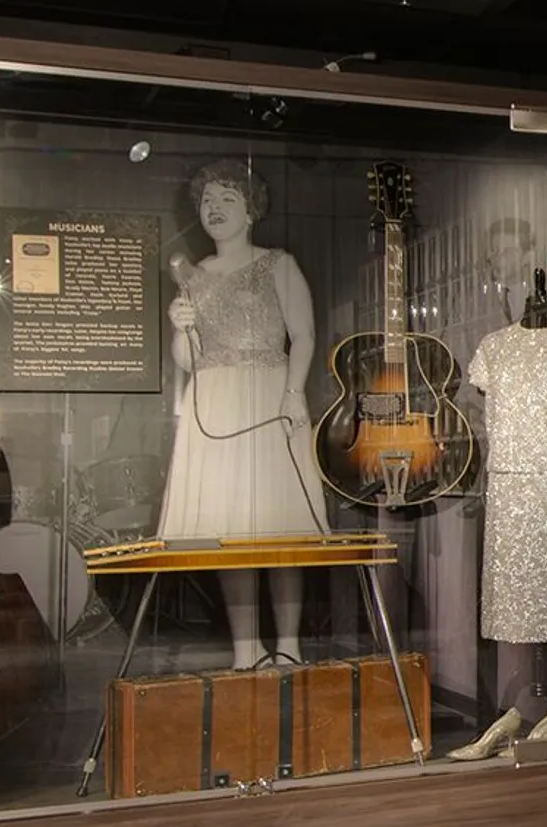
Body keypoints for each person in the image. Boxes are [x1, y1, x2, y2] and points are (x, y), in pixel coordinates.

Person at [157, 158, 329, 671]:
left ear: (250, 210)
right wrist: (179, 325)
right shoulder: (194, 275)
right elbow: (188, 361)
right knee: (228, 531)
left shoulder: (278, 263)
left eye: (228, 199)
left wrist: (294, 394)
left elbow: (304, 334)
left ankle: (289, 646)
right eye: (208, 200)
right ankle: (245, 650)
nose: (215, 208)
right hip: (213, 400)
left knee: (279, 528)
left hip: (267, 395)